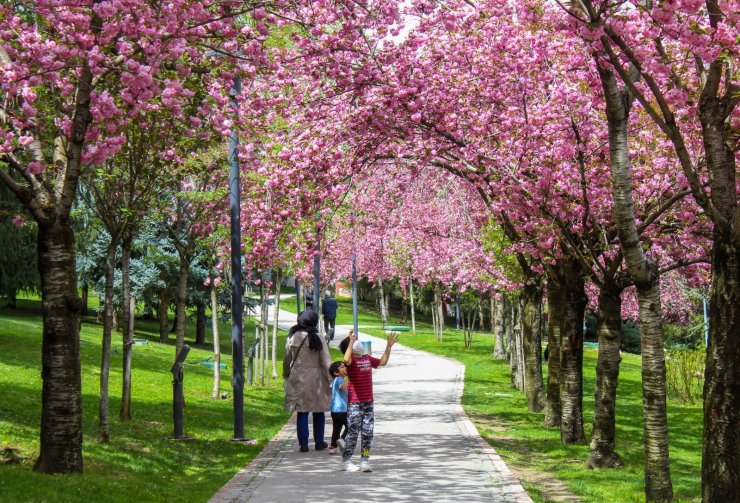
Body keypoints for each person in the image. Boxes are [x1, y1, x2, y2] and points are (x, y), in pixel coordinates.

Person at [340, 330, 399, 472]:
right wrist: (351, 342)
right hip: (354, 403)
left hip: (368, 402)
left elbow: (383, 362)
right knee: (353, 432)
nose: (357, 341)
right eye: (353, 341)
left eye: (356, 340)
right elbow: (346, 359)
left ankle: (364, 460)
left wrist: (388, 346)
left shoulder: (366, 358)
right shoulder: (351, 361)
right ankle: (346, 460)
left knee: (368, 433)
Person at [283, 310, 332, 452]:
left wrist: (286, 373)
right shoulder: (319, 338)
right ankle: (319, 441)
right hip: (317, 378)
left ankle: (303, 444)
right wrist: (331, 379)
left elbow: (287, 358)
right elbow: (326, 360)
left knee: (302, 410)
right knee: (319, 410)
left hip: (299, 376)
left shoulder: (293, 337)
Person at [328, 361, 349, 455]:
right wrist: (349, 377)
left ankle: (333, 446)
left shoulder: (335, 381)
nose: (345, 368)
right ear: (336, 373)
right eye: (342, 367)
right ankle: (342, 439)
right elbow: (343, 387)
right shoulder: (339, 379)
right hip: (342, 410)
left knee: (336, 428)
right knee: (351, 425)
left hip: (334, 410)